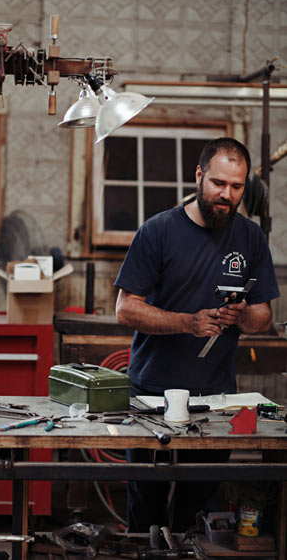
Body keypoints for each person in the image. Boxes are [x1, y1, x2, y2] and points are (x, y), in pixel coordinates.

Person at [114, 137, 280, 533]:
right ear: (199, 176)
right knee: (146, 510)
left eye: (237, 187)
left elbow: (264, 316)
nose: (227, 195)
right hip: (151, 397)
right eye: (219, 184)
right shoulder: (158, 231)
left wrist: (242, 316)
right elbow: (125, 308)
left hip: (216, 401)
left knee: (197, 512)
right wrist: (187, 323)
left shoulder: (251, 238)